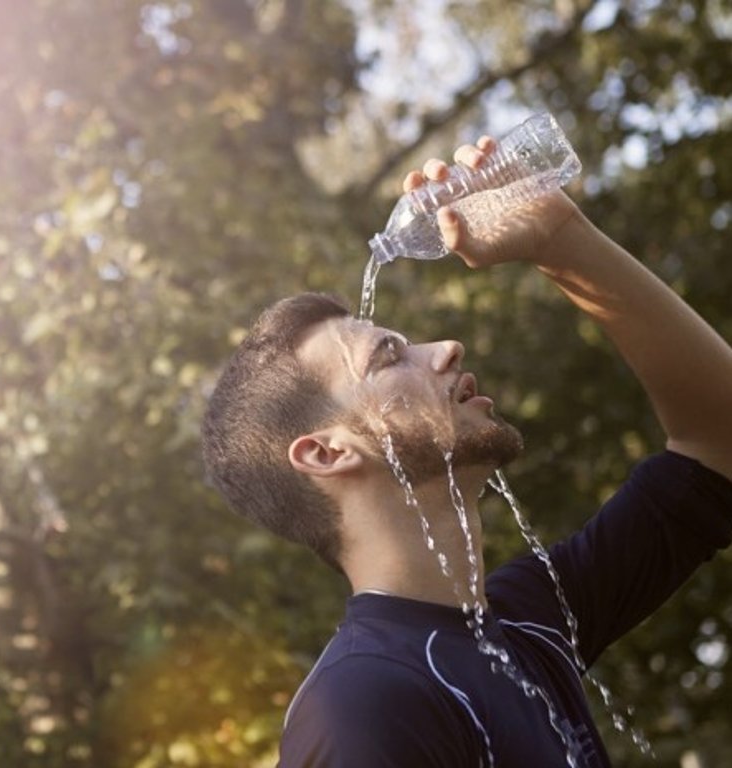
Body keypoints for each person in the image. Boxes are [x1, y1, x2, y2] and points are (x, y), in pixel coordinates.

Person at [200, 134, 732, 766]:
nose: (446, 347)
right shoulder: (361, 705)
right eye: (389, 355)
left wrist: (560, 239)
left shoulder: (530, 619)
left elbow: (718, 446)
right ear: (326, 453)